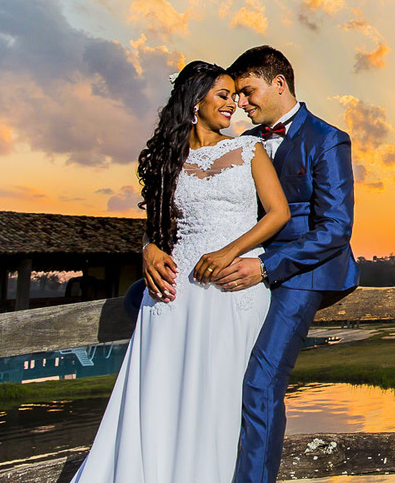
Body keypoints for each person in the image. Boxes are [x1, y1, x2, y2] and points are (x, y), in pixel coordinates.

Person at [73, 62, 291, 482]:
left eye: (234, 96)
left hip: (234, 288)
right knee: (162, 391)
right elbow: (156, 228)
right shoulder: (165, 159)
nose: (234, 105)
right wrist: (148, 249)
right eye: (224, 96)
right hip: (174, 293)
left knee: (222, 394)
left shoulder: (250, 150)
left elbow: (278, 213)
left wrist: (231, 251)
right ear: (195, 101)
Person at [212, 45, 360, 483]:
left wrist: (266, 265)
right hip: (250, 267)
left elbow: (336, 226)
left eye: (248, 90)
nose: (240, 102)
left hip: (305, 271)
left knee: (260, 380)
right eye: (236, 95)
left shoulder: (327, 138)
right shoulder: (243, 144)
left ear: (279, 83)